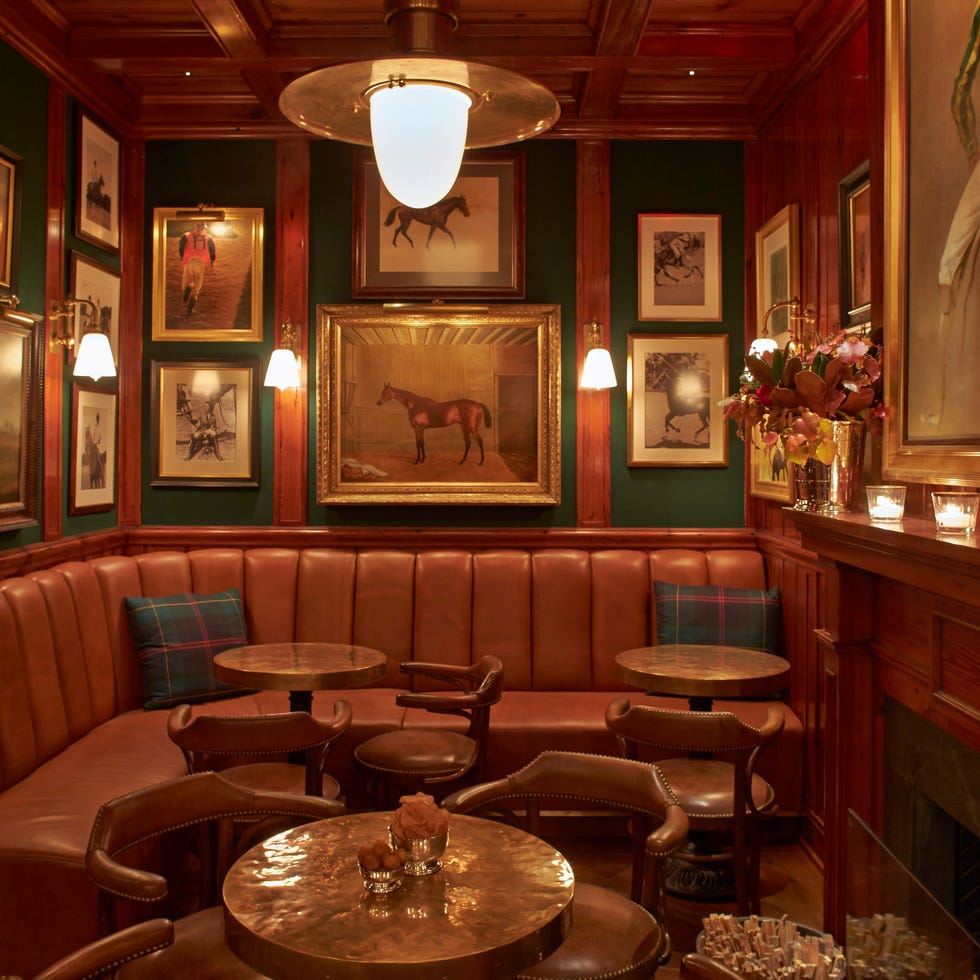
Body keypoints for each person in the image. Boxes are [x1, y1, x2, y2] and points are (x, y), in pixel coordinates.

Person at [178, 221, 216, 316]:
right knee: (197, 286)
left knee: (186, 281)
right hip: (200, 262)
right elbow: (212, 250)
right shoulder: (209, 238)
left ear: (196, 226)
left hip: (189, 261)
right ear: (204, 227)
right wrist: (212, 261)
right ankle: (190, 309)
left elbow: (181, 247)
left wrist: (183, 257)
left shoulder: (186, 235)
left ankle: (187, 288)